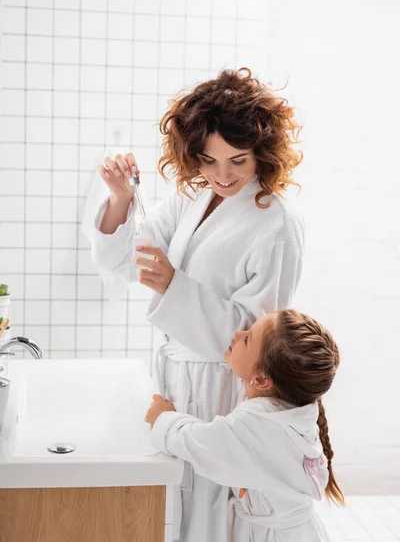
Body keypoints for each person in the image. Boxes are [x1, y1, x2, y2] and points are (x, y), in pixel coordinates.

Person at [91, 68, 305, 541]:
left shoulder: (277, 224)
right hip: (176, 374)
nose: (222, 175)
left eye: (238, 160)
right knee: (175, 505)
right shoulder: (193, 199)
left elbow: (256, 332)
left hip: (222, 387)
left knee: (211, 508)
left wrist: (175, 286)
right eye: (208, 160)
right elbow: (129, 261)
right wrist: (122, 199)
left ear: (264, 153)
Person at [146, 309, 344, 542]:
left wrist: (164, 420)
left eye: (248, 338)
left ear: (261, 380)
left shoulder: (258, 428)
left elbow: (203, 444)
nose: (237, 334)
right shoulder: (291, 412)